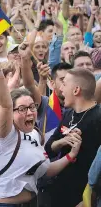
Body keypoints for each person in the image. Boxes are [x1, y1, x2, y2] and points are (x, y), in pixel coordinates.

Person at [0, 55, 81, 207]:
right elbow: (5, 105)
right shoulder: (6, 134)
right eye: (22, 109)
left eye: (32, 107)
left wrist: (71, 156)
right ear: (11, 114)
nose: (30, 112)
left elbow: (45, 170)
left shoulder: (35, 134)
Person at [45, 68, 101, 207]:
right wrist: (61, 142)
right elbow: (49, 147)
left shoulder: (98, 118)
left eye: (64, 84)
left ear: (76, 90)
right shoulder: (68, 114)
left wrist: (89, 199)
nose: (61, 88)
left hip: (85, 196)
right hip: (61, 191)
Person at [19, 42, 73, 141]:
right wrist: (24, 58)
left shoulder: (81, 105)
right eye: (62, 80)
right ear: (52, 84)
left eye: (70, 80)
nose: (66, 84)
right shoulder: (45, 104)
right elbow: (30, 85)